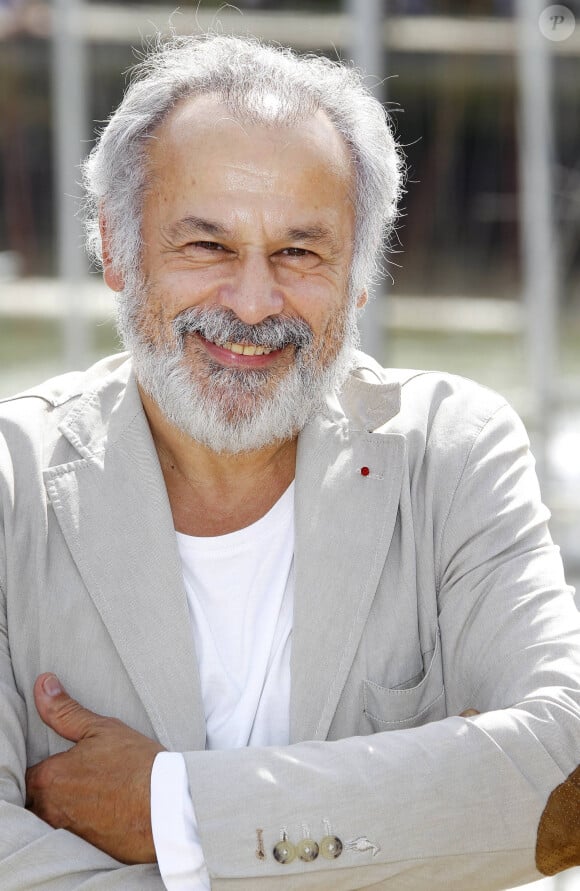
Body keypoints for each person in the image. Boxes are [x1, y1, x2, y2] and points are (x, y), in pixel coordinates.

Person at [0, 33, 579, 891]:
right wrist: (421, 815)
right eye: (206, 246)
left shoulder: (452, 453)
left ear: (359, 277)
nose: (254, 301)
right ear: (116, 253)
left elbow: (562, 779)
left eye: (300, 252)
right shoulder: (14, 484)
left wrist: (175, 809)